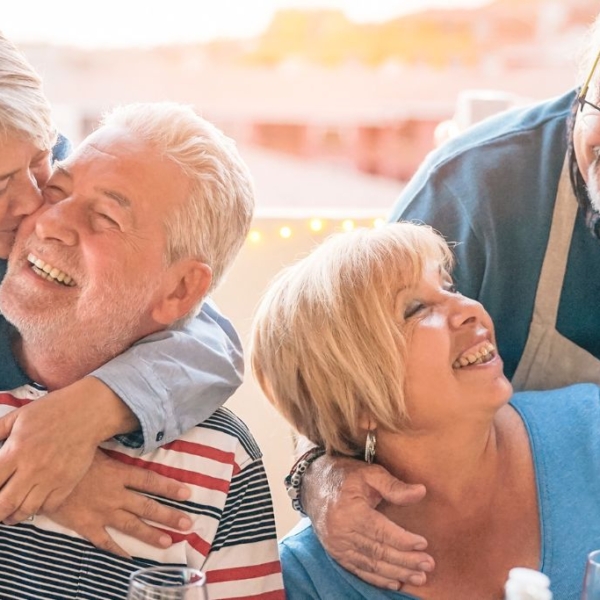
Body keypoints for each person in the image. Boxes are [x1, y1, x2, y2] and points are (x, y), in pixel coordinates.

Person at [291, 12, 600, 591]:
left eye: (452, 293)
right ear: (579, 97)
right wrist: (318, 477)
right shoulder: (478, 191)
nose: (464, 310)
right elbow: (343, 365)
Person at [0, 100, 284, 599]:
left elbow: (209, 336)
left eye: (105, 216)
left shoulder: (221, 461)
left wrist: (87, 412)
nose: (47, 220)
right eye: (59, 193)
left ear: (179, 291)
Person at [251, 222, 600, 600]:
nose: (469, 309)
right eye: (415, 309)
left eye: (449, 287)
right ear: (357, 402)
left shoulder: (591, 428)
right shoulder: (306, 579)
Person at [0, 30, 245, 553]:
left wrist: (89, 409)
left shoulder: (60, 186)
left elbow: (208, 341)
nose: (32, 206)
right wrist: (30, 469)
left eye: (40, 165)